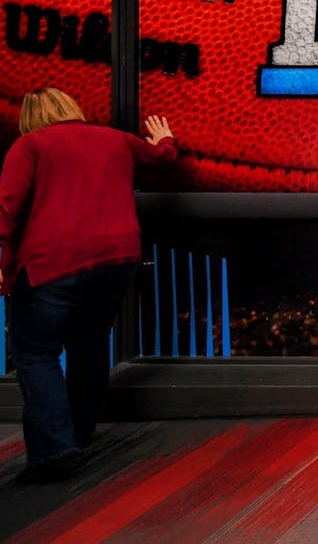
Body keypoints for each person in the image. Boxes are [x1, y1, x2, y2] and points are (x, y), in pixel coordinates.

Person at [0, 88, 177, 483]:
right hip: (116, 260)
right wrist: (165, 138)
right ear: (71, 108)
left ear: (30, 116)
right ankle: (79, 433)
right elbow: (161, 157)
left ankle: (54, 452)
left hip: (53, 262)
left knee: (35, 354)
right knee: (89, 344)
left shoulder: (30, 145)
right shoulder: (114, 139)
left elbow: (6, 205)